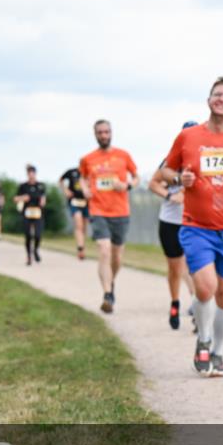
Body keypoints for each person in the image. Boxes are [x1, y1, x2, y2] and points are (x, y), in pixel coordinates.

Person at [158, 77, 223, 377]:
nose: (221, 99)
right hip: (196, 227)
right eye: (217, 94)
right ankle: (202, 340)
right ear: (208, 100)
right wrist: (180, 179)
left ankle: (217, 352)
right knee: (206, 287)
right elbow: (165, 171)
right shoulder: (188, 137)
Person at [80, 119, 138, 313]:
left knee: (117, 257)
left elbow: (136, 177)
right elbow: (82, 177)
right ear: (95, 134)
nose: (103, 135)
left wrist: (127, 185)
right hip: (98, 210)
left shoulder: (123, 156)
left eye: (106, 132)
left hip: (121, 211)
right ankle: (107, 294)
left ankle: (110, 283)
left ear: (111, 133)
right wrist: (85, 188)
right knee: (104, 249)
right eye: (100, 132)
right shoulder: (88, 159)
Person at [150, 121, 199, 330]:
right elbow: (153, 183)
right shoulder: (170, 162)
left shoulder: (203, 162)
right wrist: (171, 194)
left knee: (197, 267)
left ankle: (199, 309)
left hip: (195, 221)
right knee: (175, 268)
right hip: (170, 222)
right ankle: (175, 302)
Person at [16, 165, 47, 266]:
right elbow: (15, 199)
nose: (31, 176)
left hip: (38, 213)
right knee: (28, 235)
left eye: (32, 173)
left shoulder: (41, 186)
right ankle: (28, 256)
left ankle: (36, 250)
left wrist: (43, 201)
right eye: (29, 174)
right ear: (27, 174)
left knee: (38, 235)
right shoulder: (23, 186)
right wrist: (22, 198)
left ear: (35, 174)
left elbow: (44, 198)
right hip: (27, 213)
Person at [60, 165, 90, 260]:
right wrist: (66, 190)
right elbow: (60, 180)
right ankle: (80, 248)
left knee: (84, 226)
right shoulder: (72, 171)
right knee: (78, 224)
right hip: (74, 201)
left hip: (86, 202)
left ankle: (82, 247)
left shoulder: (90, 172)